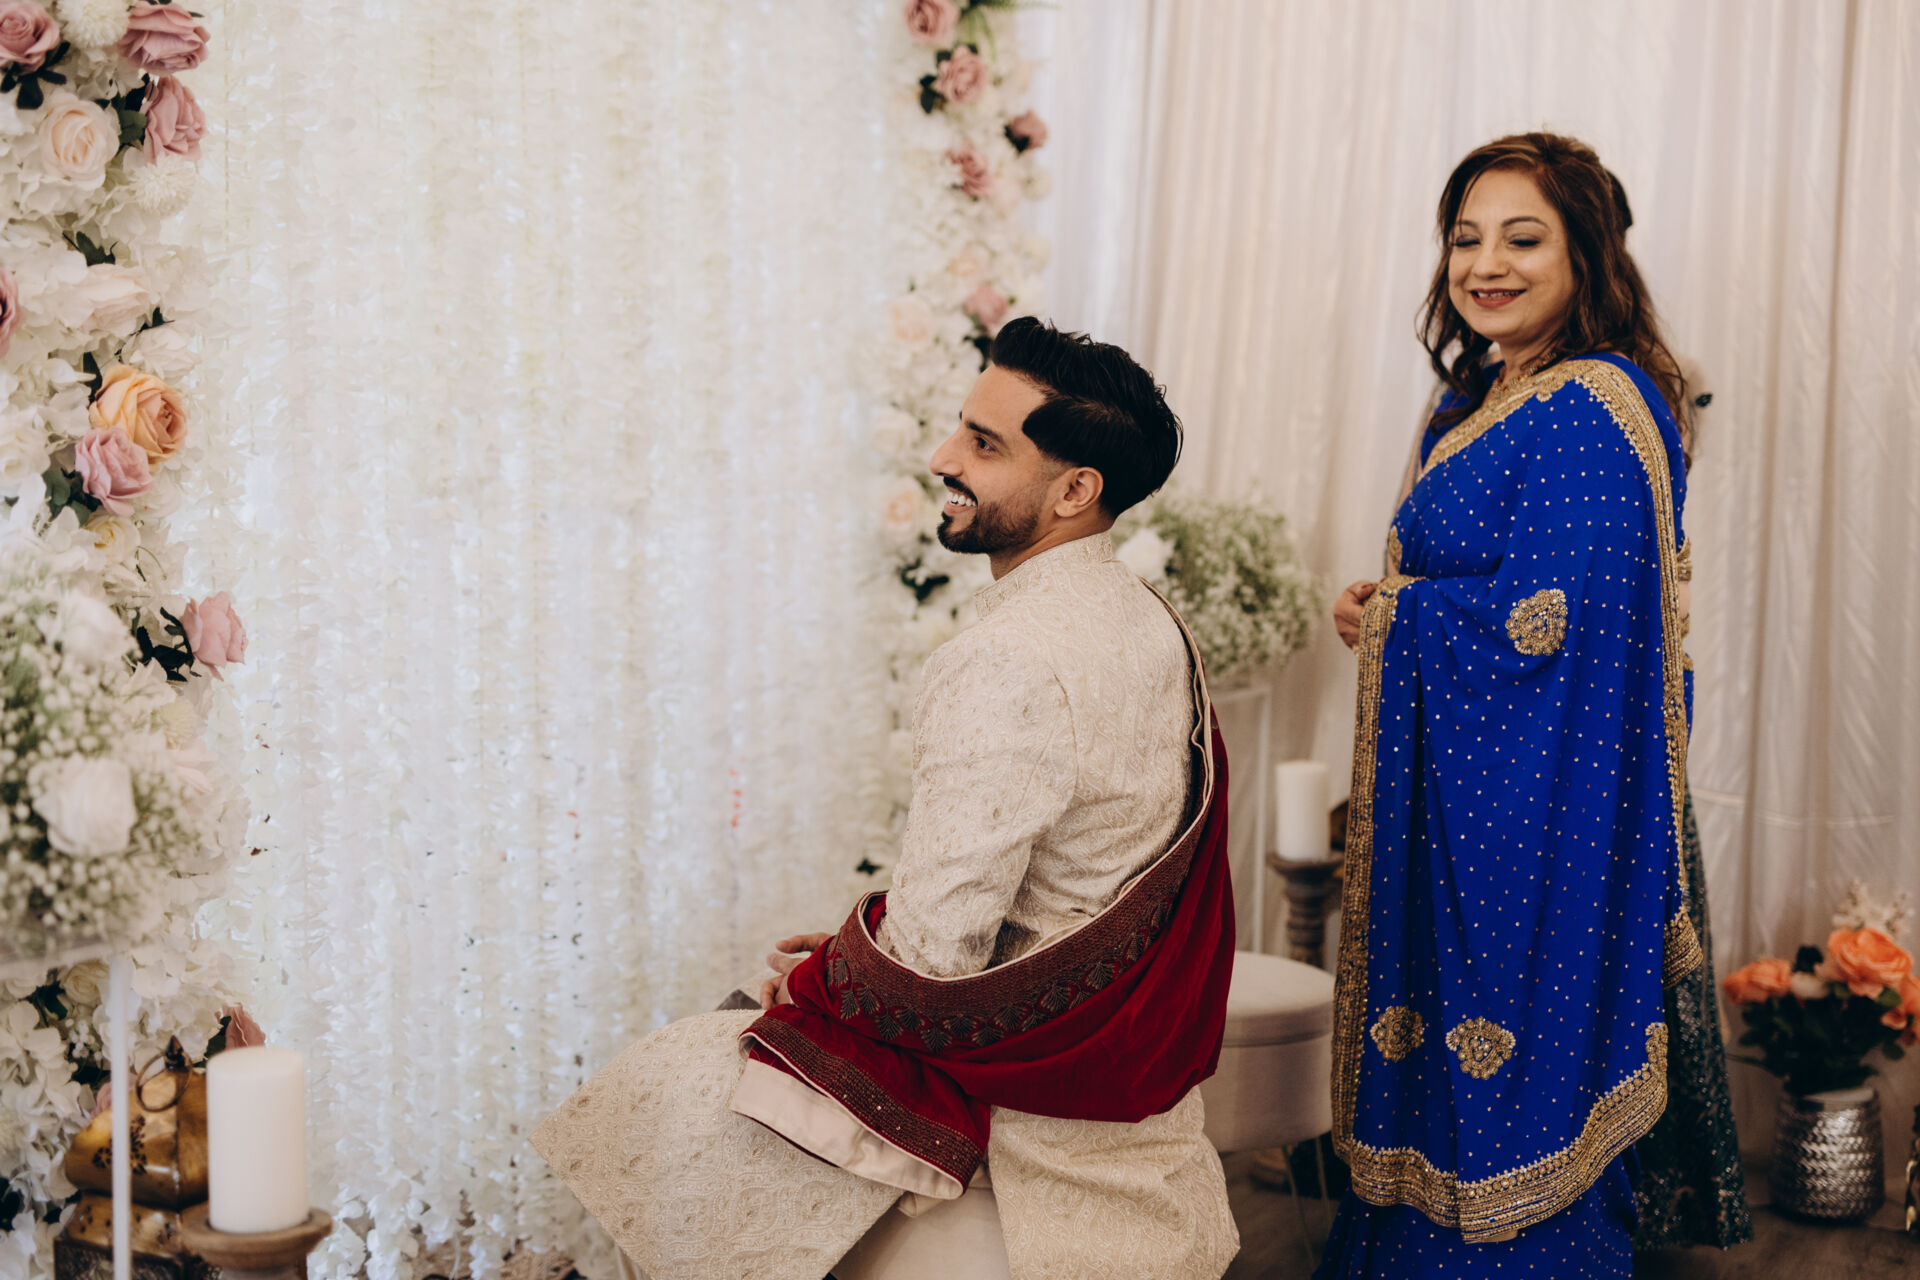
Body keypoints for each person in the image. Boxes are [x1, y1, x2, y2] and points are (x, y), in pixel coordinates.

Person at [534, 318, 1241, 1280]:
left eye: (984, 445)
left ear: (1076, 491)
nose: (944, 457)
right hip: (1136, 1091)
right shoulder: (1150, 618)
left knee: (663, 1098)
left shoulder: (1008, 659)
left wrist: (824, 981)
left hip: (1030, 1126)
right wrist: (849, 953)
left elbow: (932, 961)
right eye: (960, 428)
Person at [1317, 132, 1741, 1277]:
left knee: (1525, 1037)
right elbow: (1462, 582)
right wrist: (1385, 607)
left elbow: (1556, 622)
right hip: (1459, 792)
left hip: (1543, 798)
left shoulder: (1598, 401)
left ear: (1585, 253)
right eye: (1466, 239)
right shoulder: (1470, 397)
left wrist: (1401, 619)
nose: (1485, 264)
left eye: (1522, 238)